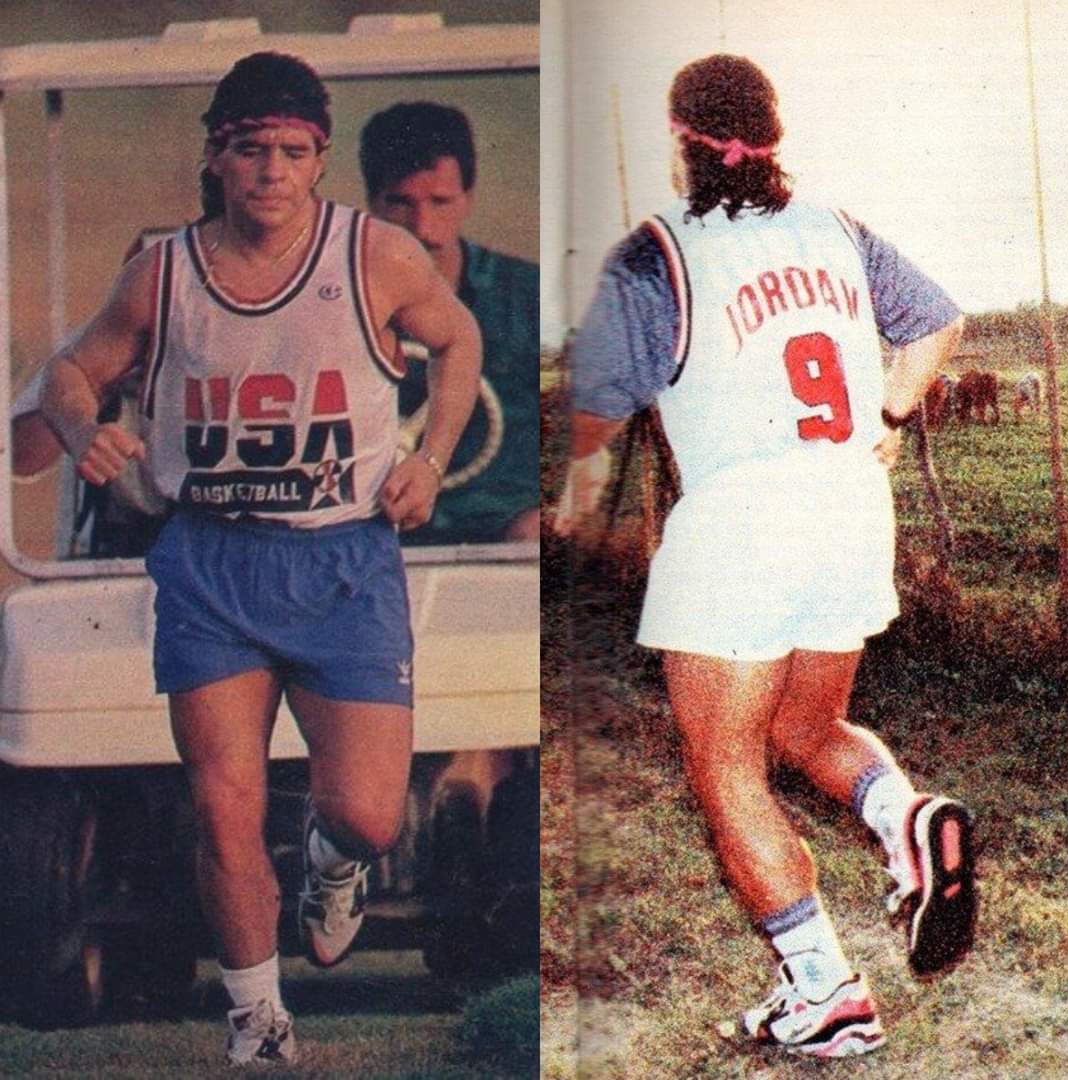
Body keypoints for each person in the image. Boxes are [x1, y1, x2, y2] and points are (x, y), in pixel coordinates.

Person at [41, 52, 480, 1067]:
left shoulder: (375, 256)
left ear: (319, 160)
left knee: (368, 814)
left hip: (343, 564)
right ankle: (258, 1026)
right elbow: (71, 371)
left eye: (291, 152)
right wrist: (81, 429)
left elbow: (456, 344)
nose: (271, 172)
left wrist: (433, 454)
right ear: (217, 157)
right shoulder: (162, 271)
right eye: (250, 151)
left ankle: (334, 865)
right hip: (213, 566)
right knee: (222, 805)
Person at [554, 54, 976, 1058]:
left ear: (680, 139)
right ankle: (909, 820)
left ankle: (825, 989)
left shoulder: (657, 253)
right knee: (807, 726)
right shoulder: (837, 229)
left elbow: (596, 407)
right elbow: (940, 320)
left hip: (740, 521)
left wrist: (565, 478)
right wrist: (885, 407)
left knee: (725, 762)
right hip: (846, 507)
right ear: (774, 134)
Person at [360, 101, 539, 543]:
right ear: (372, 202)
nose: (422, 225)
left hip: (501, 516)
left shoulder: (529, 296)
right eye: (400, 203)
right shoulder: (339, 302)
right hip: (378, 514)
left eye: (440, 201)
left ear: (468, 197)